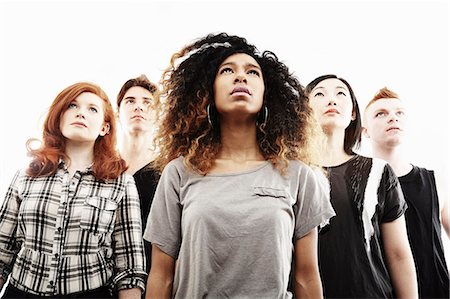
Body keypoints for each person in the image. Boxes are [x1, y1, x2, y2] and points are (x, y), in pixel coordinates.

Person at [143, 32, 335, 298]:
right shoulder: (179, 173)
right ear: (207, 92)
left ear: (267, 94)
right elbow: (161, 276)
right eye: (227, 70)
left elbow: (306, 276)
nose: (241, 77)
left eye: (253, 72)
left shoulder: (297, 175)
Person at [0, 82, 146, 298]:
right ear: (59, 117)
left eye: (92, 109)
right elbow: (2, 251)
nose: (81, 113)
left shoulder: (121, 183)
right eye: (72, 106)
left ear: (104, 127)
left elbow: (129, 269)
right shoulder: (26, 175)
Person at [305, 74, 418, 298]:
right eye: (319, 93)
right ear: (304, 110)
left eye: (340, 93)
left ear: (353, 112)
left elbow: (398, 253)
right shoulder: (291, 173)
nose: (331, 100)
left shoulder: (379, 171)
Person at [363, 87, 449, 298]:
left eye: (399, 113)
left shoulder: (434, 180)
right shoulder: (361, 186)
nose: (393, 117)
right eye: (380, 113)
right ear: (365, 130)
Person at [116, 75, 160, 274]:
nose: (139, 107)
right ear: (117, 113)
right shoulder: (101, 167)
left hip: (153, 275)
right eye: (130, 101)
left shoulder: (168, 170)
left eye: (147, 102)